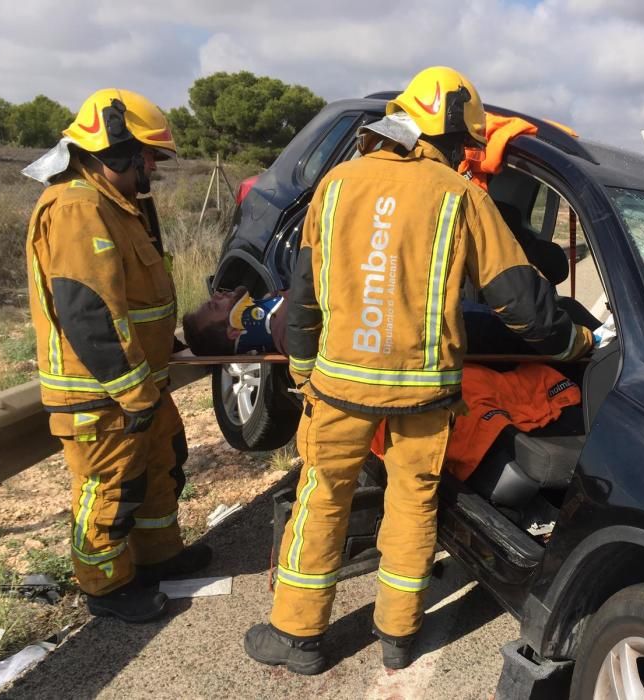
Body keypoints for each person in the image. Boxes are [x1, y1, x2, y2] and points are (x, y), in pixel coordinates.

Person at [243, 66, 592, 674]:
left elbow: (304, 293)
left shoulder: (337, 185)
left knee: (321, 499)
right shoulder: (461, 197)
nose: (463, 157)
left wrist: (302, 368)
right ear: (452, 138)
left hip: (341, 388)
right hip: (424, 396)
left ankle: (297, 638)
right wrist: (574, 343)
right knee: (414, 504)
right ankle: (398, 636)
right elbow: (520, 301)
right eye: (464, 146)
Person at [22, 89, 211, 623]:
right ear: (117, 150)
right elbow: (89, 312)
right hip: (102, 392)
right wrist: (130, 390)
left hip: (138, 384)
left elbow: (135, 296)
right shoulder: (77, 208)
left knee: (158, 466)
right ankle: (106, 587)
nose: (152, 166)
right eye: (148, 156)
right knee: (111, 488)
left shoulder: (116, 205)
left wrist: (163, 351)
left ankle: (158, 558)